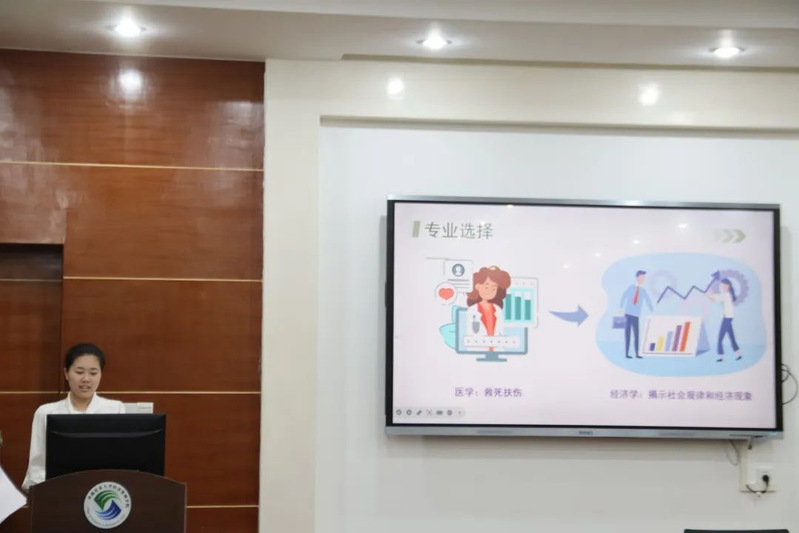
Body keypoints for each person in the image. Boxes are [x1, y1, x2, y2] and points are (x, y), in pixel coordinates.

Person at [21, 343, 125, 491]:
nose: (86, 379)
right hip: (58, 492)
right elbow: (37, 467)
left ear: (101, 374)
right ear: (66, 373)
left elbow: (120, 463)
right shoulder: (45, 412)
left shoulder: (115, 409)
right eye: (79, 372)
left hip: (102, 491)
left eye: (93, 373)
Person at [465, 266, 512, 344]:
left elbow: (500, 333)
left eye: (494, 288)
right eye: (486, 287)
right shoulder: (472, 310)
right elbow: (470, 335)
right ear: (477, 286)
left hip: (496, 348)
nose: (490, 291)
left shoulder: (497, 310)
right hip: (479, 347)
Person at [619, 270, 653, 359]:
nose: (643, 279)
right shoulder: (631, 287)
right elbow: (623, 296)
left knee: (636, 335)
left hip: (636, 316)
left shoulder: (643, 291)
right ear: (637, 278)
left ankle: (637, 353)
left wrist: (652, 310)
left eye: (644, 278)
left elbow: (648, 300)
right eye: (642, 277)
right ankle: (626, 353)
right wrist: (621, 308)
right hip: (627, 314)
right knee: (627, 334)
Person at [707, 278, 742, 362]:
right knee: (731, 337)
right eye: (722, 286)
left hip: (727, 318)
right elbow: (716, 298)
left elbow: (714, 299)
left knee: (720, 338)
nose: (723, 287)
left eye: (724, 286)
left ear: (728, 286)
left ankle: (720, 357)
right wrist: (711, 295)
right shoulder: (728, 294)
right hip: (728, 317)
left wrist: (708, 295)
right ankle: (739, 355)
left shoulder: (726, 295)